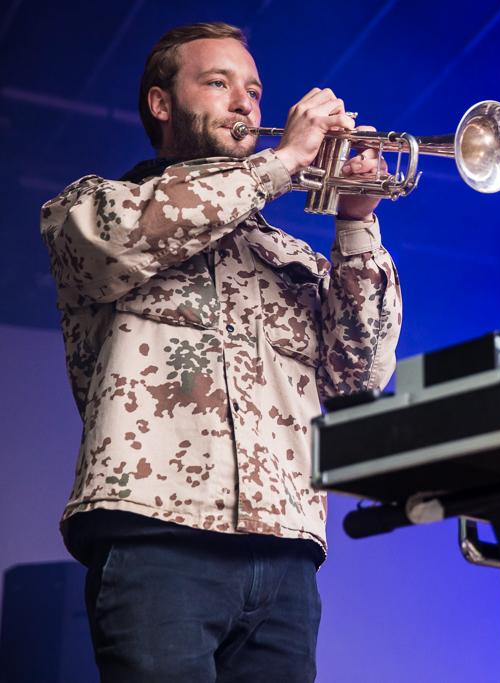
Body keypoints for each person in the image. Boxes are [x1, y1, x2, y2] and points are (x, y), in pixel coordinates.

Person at [40, 22, 401, 682]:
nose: (245, 103)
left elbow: (358, 379)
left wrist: (356, 222)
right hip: (157, 535)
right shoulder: (92, 209)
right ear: (160, 103)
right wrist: (283, 161)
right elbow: (133, 237)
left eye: (254, 91)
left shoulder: (288, 255)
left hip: (286, 553)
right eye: (217, 83)